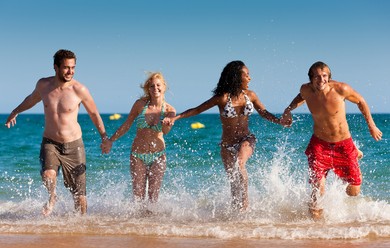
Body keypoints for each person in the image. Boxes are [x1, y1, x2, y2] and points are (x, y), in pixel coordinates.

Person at [163, 60, 285, 211]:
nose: (249, 78)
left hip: (246, 139)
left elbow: (264, 113)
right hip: (227, 144)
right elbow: (197, 110)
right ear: (236, 77)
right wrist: (175, 118)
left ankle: (245, 206)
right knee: (233, 182)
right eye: (246, 75)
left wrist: (280, 121)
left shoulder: (251, 95)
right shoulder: (222, 98)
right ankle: (235, 216)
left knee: (240, 163)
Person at [5, 49, 109, 216]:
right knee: (48, 174)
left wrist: (104, 137)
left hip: (74, 145)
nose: (70, 71)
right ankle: (52, 197)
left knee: (80, 196)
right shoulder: (43, 85)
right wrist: (15, 111)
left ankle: (80, 226)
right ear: (56, 67)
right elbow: (31, 99)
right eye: (66, 67)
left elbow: (94, 114)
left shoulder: (79, 89)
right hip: (50, 142)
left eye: (73, 67)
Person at [281, 61, 383, 220]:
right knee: (317, 191)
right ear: (310, 79)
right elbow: (302, 97)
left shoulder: (341, 89)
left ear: (329, 77)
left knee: (353, 192)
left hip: (343, 144)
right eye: (316, 77)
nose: (321, 80)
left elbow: (361, 101)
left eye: (324, 76)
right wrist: (288, 110)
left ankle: (355, 153)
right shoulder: (306, 89)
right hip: (319, 145)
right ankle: (314, 228)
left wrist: (372, 126)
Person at [101, 72, 176, 203]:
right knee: (138, 197)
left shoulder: (170, 110)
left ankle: (151, 223)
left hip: (158, 156)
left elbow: (165, 131)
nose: (155, 88)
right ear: (148, 88)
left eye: (158, 85)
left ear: (164, 87)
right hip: (138, 155)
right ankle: (137, 224)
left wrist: (167, 124)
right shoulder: (140, 105)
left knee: (153, 198)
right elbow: (127, 124)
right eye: (152, 86)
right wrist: (111, 140)